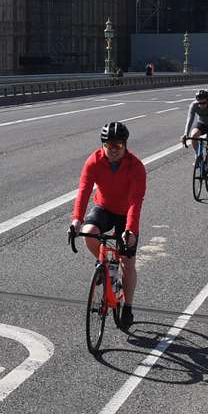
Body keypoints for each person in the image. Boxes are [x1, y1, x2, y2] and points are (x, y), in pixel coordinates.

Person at [71, 120, 148, 329]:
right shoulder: (94, 161)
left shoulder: (136, 167)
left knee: (127, 261)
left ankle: (128, 307)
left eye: (118, 146)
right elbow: (84, 191)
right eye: (109, 146)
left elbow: (135, 201)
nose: (113, 150)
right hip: (104, 208)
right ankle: (105, 267)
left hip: (126, 214)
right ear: (102, 145)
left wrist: (130, 230)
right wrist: (76, 220)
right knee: (88, 232)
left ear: (125, 145)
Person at [181, 88, 208, 192]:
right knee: (193, 135)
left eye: (204, 103)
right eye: (200, 103)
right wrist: (185, 134)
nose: (201, 105)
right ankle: (198, 156)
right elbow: (189, 119)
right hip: (201, 124)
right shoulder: (194, 105)